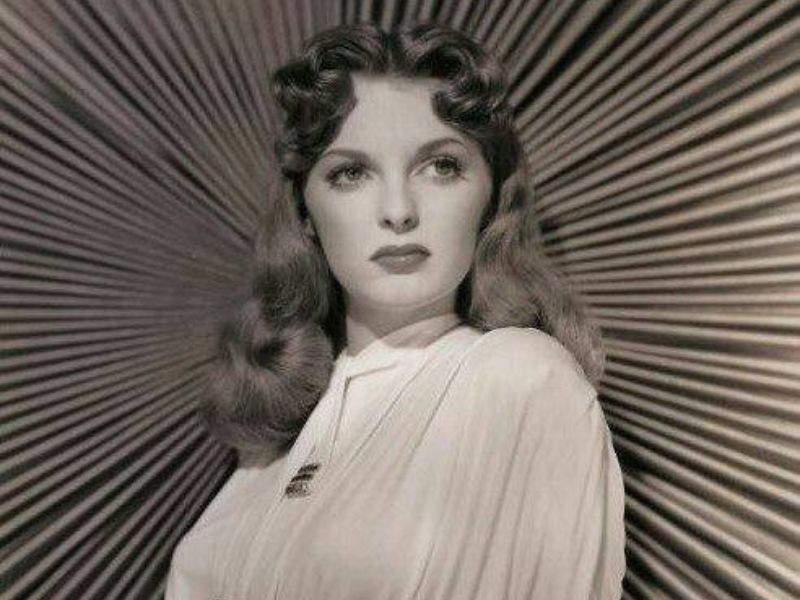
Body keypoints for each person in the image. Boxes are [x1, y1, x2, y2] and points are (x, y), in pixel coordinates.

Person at [166, 21, 626, 600]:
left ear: (491, 196)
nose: (399, 210)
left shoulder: (520, 380)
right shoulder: (278, 430)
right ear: (305, 211)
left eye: (441, 167)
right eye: (351, 173)